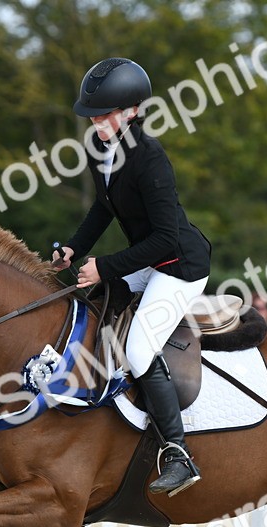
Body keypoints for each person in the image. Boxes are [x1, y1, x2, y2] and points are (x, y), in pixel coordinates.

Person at [54, 58, 210, 496]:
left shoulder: (151, 159)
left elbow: (165, 238)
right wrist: (74, 248)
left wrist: (105, 265)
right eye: (94, 114)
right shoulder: (98, 148)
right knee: (87, 301)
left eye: (105, 114)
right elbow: (103, 209)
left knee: (139, 350)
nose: (97, 122)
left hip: (179, 266)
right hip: (146, 260)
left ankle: (178, 454)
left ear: (133, 112)